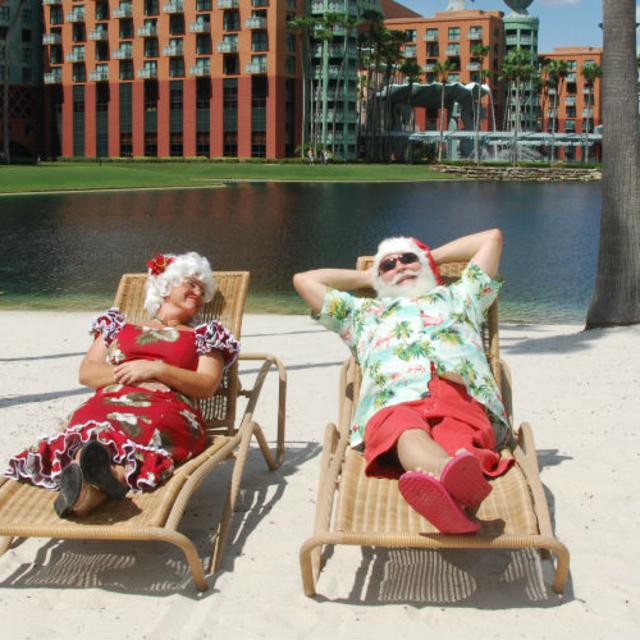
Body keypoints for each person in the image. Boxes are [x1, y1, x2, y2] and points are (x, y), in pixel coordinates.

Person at [293, 229, 513, 534]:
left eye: (408, 258)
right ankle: (447, 475)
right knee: (404, 429)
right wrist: (368, 276)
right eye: (389, 265)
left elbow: (492, 238)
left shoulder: (461, 297)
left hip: (460, 394)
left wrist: (425, 257)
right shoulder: (362, 314)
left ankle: (449, 489)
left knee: (458, 433)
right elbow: (304, 280)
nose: (400, 265)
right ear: (378, 279)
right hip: (393, 400)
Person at [5, 251, 240, 518]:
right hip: (108, 402)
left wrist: (157, 369)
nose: (198, 292)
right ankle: (92, 488)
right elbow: (87, 373)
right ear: (166, 286)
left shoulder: (205, 335)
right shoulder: (118, 327)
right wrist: (131, 373)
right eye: (190, 284)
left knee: (136, 429)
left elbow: (207, 384)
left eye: (202, 289)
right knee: (89, 422)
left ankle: (82, 484)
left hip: (167, 409)